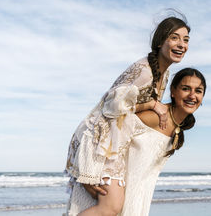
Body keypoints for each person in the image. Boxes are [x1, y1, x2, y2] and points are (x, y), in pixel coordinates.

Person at [64, 14, 190, 215]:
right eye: (174, 37)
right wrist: (151, 104)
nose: (181, 44)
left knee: (113, 208)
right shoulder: (145, 70)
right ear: (160, 41)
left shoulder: (163, 74)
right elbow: (112, 105)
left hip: (114, 144)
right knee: (111, 207)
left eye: (185, 40)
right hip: (99, 141)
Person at [67, 68, 206, 216]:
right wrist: (88, 173)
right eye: (185, 89)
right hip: (113, 182)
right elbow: (105, 125)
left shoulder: (178, 126)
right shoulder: (156, 117)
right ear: (173, 91)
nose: (192, 95)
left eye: (198, 91)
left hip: (137, 192)